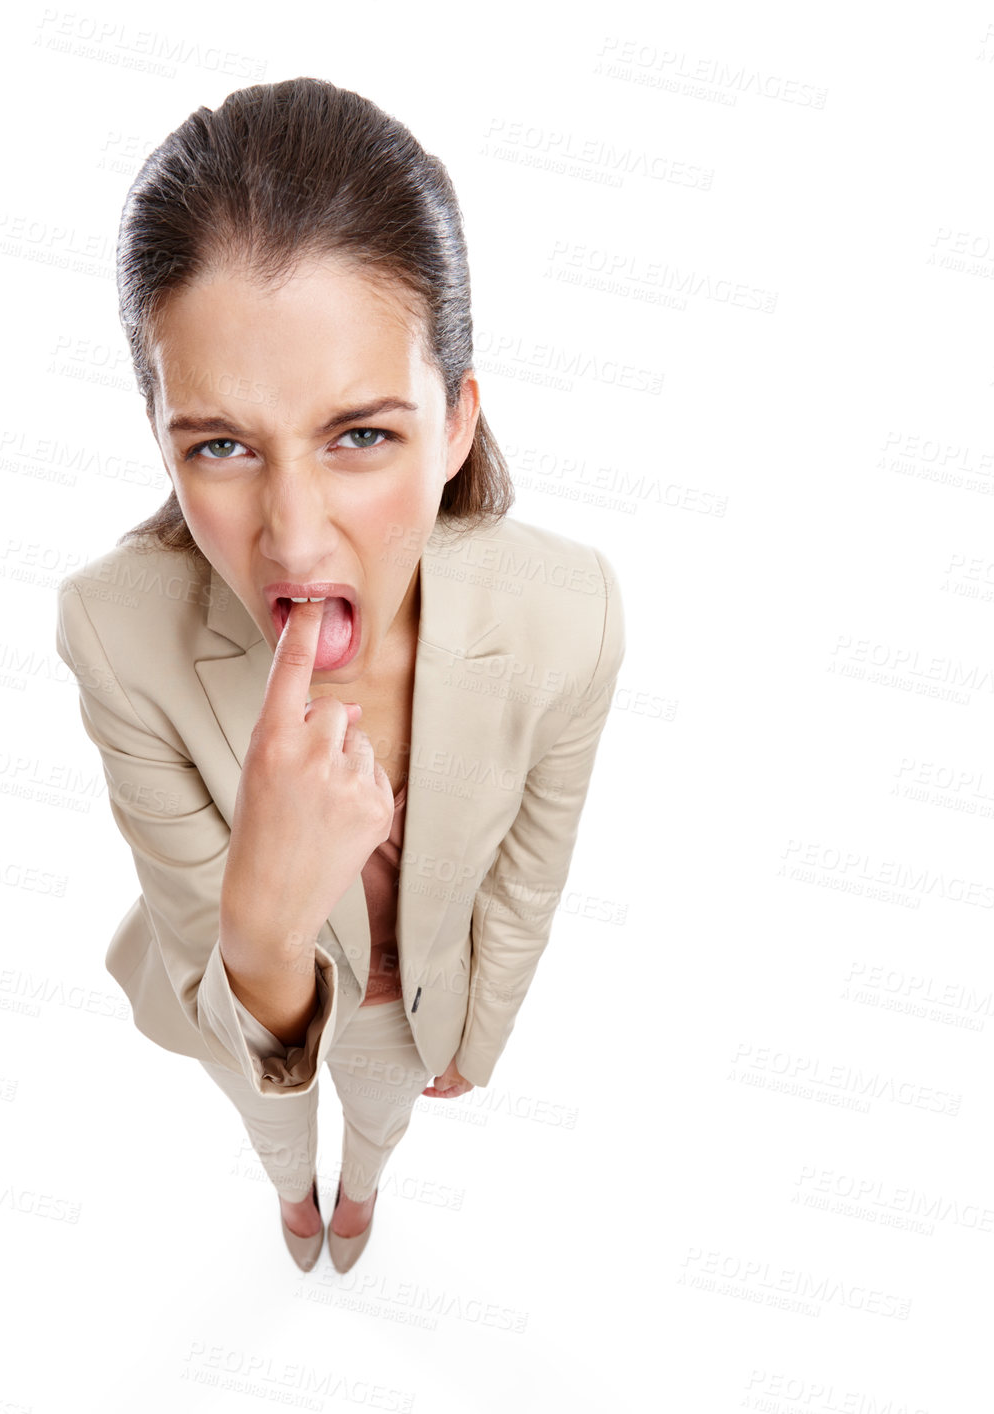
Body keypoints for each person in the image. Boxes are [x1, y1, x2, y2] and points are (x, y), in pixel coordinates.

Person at [54, 77, 625, 1273]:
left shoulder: (569, 617)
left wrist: (484, 1029)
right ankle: (291, 1198)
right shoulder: (115, 628)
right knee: (272, 1118)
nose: (297, 538)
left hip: (418, 996)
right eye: (220, 446)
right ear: (160, 434)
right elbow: (209, 966)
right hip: (241, 991)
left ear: (457, 422)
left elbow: (532, 864)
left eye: (362, 434)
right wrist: (264, 904)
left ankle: (358, 1190)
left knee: (380, 1116)